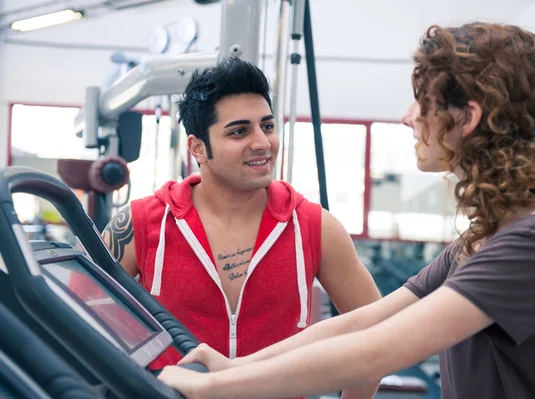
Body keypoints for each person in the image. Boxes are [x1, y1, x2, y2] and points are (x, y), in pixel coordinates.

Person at [157, 22, 535, 399]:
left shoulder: (533, 245)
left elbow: (375, 352)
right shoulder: (485, 240)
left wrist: (210, 389)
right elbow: (361, 324)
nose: (408, 117)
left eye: (421, 100)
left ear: (467, 117)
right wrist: (233, 367)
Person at [101, 56, 382, 398]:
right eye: (239, 131)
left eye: (267, 126)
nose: (262, 143)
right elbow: (76, 328)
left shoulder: (315, 227)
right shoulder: (139, 224)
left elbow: (377, 335)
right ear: (198, 148)